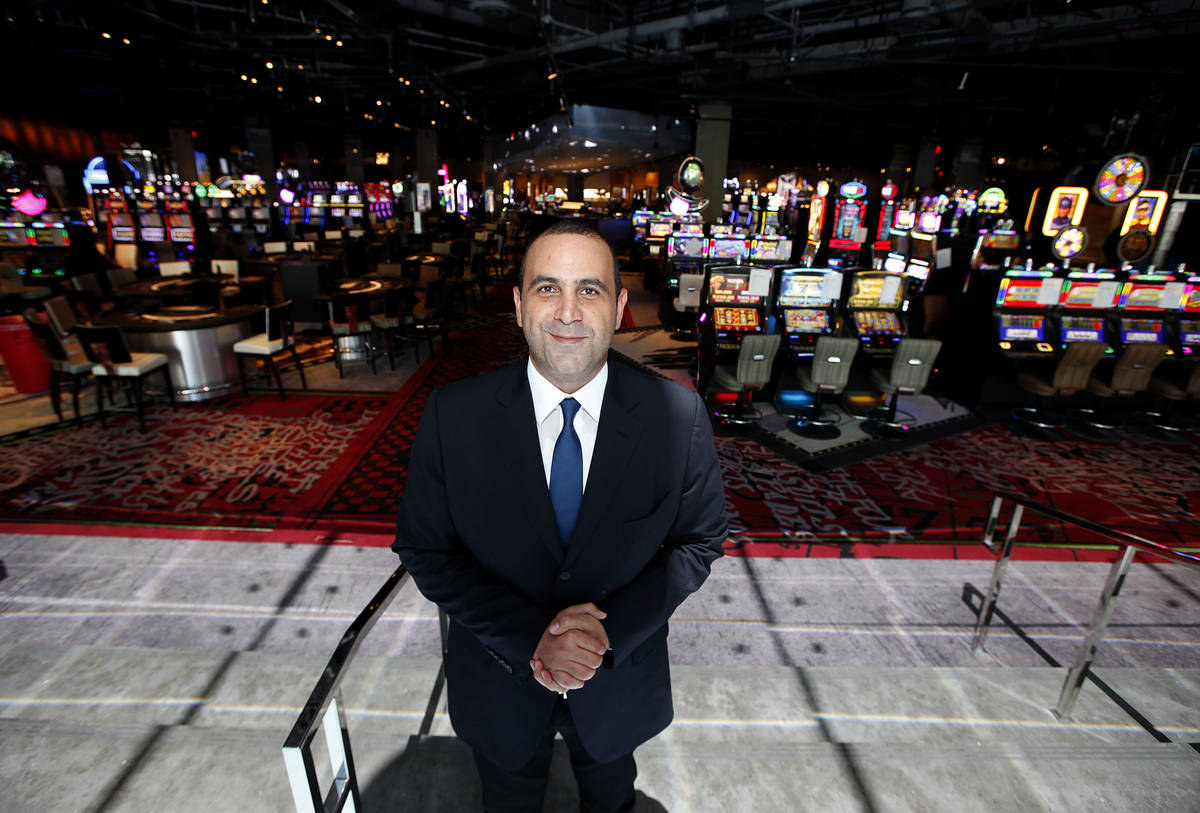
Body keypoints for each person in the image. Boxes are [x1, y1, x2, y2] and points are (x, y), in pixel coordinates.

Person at [392, 220, 729, 812]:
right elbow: (425, 548)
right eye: (548, 288)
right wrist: (531, 638)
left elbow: (698, 541)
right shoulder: (454, 414)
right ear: (519, 305)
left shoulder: (678, 415)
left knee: (611, 798)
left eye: (589, 290)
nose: (568, 312)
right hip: (499, 680)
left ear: (619, 308)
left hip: (617, 679)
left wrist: (605, 637)